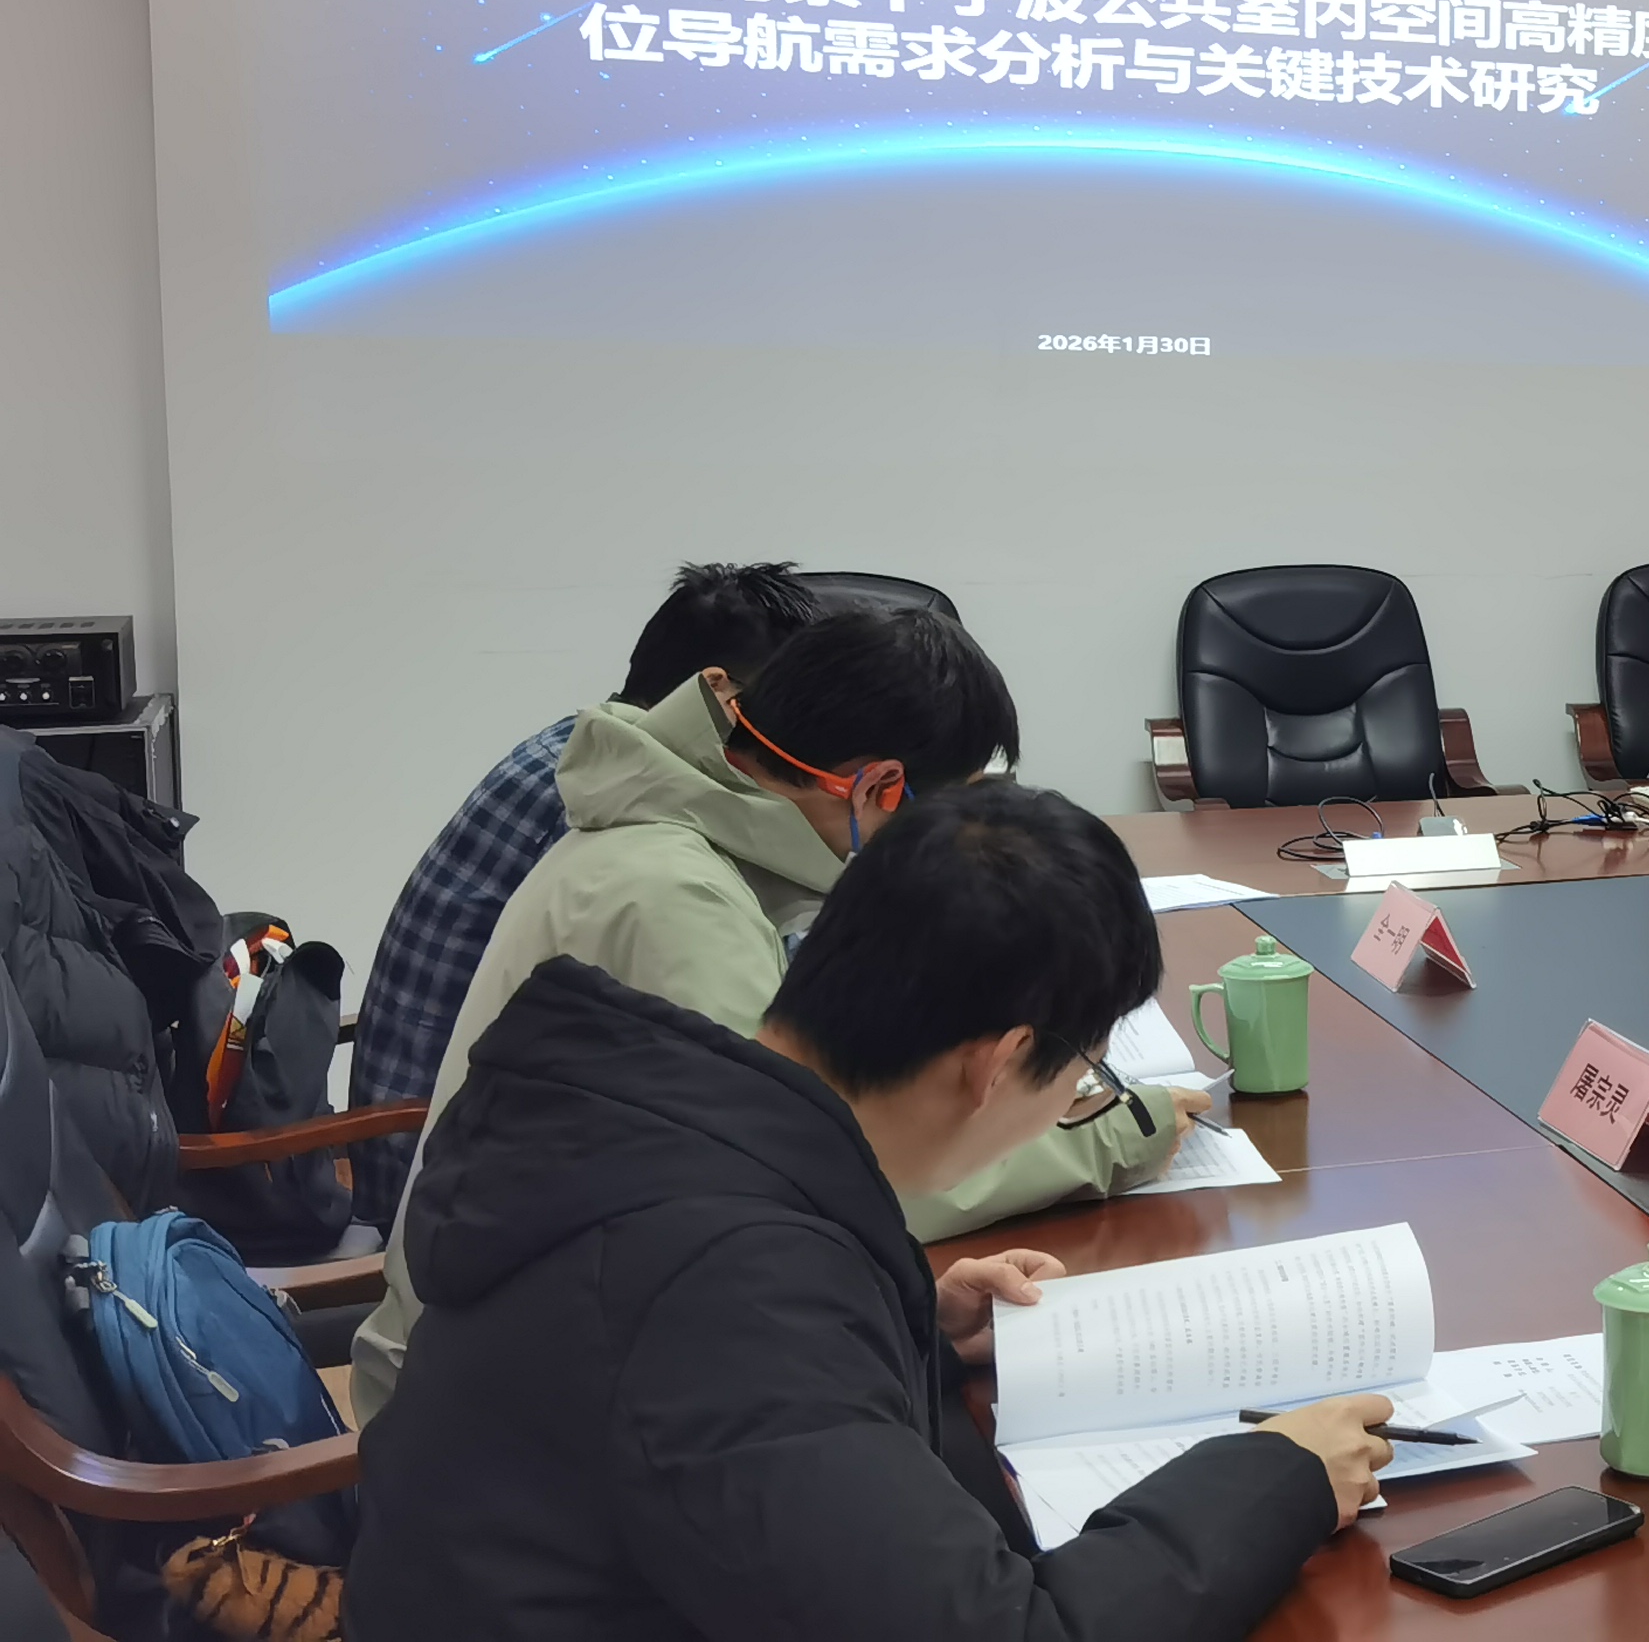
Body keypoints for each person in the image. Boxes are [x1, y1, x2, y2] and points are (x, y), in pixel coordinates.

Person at [349, 782, 1395, 1641]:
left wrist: (910, 1328)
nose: (1077, 1097)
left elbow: (689, 1402)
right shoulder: (726, 1287)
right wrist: (1283, 1475)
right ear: (996, 1064)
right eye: (1083, 1071)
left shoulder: (674, 1125)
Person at [351, 604, 1197, 1419]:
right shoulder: (679, 903)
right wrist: (1109, 1137)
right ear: (880, 787)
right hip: (496, 1403)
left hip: (547, 1338)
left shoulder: (673, 837)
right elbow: (824, 1173)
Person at [349, 562, 826, 1227]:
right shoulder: (616, 804)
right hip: (442, 1178)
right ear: (721, 695)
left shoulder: (592, 756)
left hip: (439, 1141)